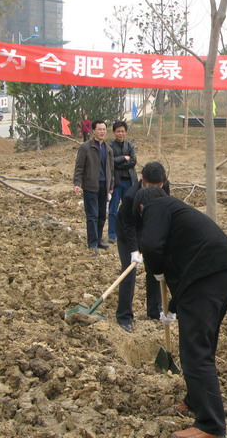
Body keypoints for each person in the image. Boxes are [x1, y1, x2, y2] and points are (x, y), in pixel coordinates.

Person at [135, 186, 227, 438]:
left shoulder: (155, 205)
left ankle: (211, 426)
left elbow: (151, 246)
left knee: (195, 351)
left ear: (142, 208)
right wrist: (173, 307)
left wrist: (156, 270)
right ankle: (195, 399)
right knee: (203, 345)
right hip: (224, 274)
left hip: (208, 276)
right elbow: (184, 263)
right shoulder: (178, 213)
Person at [115, 161, 167, 333]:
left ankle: (154, 310)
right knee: (129, 272)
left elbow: (165, 210)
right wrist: (134, 250)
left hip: (150, 227)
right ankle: (124, 316)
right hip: (128, 230)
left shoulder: (165, 186)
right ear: (143, 180)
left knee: (154, 268)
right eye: (151, 186)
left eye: (158, 186)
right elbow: (128, 225)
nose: (155, 190)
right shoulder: (131, 196)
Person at [73, 120, 114, 252]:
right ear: (93, 131)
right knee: (92, 215)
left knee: (102, 215)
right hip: (91, 186)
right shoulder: (85, 147)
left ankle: (98, 240)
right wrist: (77, 183)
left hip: (104, 185)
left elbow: (111, 170)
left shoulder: (108, 149)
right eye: (100, 129)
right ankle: (92, 243)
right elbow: (79, 167)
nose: (102, 132)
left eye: (104, 129)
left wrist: (111, 185)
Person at [107, 120, 138, 244]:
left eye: (123, 131)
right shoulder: (109, 146)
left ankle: (128, 232)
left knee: (128, 209)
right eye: (118, 131)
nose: (121, 133)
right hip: (116, 182)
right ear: (114, 132)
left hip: (129, 181)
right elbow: (110, 162)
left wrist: (118, 164)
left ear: (126, 132)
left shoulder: (130, 145)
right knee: (113, 209)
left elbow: (133, 161)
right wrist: (123, 158)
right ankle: (112, 234)